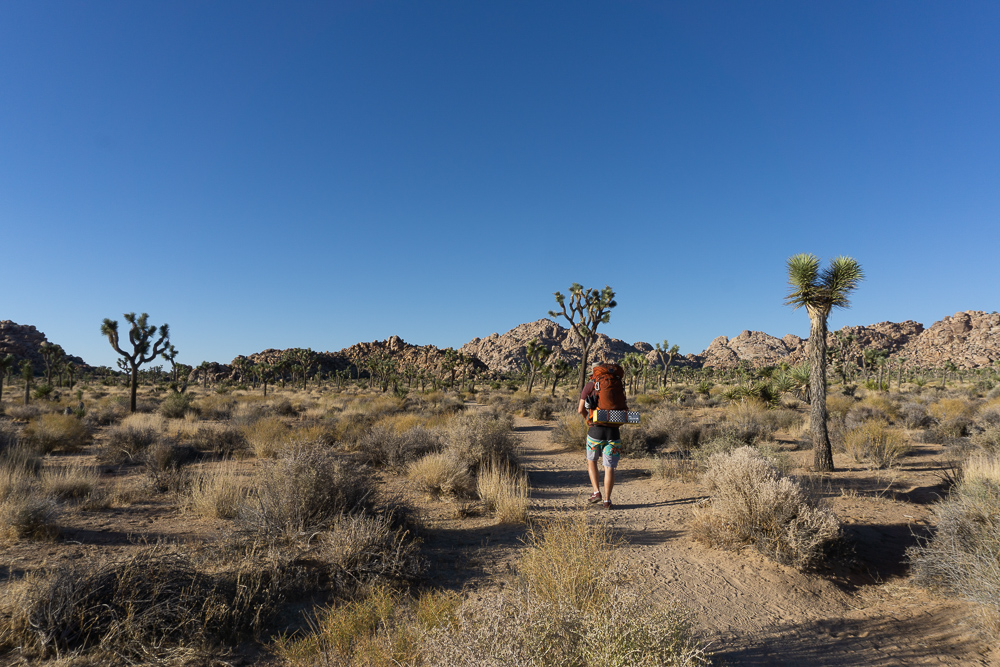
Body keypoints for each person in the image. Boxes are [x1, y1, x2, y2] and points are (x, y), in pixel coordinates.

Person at [578, 361, 622, 510]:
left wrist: (588, 420)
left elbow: (580, 409)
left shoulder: (590, 386)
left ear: (594, 371)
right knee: (609, 468)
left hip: (595, 431)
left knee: (592, 461)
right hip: (614, 432)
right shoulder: (615, 383)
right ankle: (607, 501)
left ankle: (596, 492)